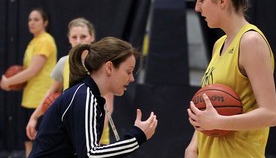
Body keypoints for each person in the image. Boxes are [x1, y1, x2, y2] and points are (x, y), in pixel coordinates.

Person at [184, 0, 276, 158]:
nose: (198, 8)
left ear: (222, 0)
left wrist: (220, 122)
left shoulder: (251, 41)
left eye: (201, 0)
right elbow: (209, 102)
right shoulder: (220, 44)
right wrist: (193, 145)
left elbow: (271, 114)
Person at [28, 36, 158, 157]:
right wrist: (137, 136)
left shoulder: (88, 95)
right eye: (128, 72)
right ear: (109, 68)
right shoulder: (84, 97)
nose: (132, 79)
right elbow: (91, 155)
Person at [26, 17, 114, 146]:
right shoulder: (63, 63)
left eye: (83, 36)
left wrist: (94, 135)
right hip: (69, 136)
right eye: (74, 37)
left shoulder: (103, 65)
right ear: (69, 39)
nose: (79, 41)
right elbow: (50, 94)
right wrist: (34, 117)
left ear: (92, 37)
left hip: (96, 138)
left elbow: (108, 107)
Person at [0, 8, 57, 157]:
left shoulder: (45, 40)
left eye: (36, 19)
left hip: (41, 99)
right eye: (30, 19)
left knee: (40, 143)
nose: (31, 22)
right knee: (28, 142)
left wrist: (8, 81)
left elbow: (32, 71)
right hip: (29, 99)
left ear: (45, 22)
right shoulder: (34, 42)